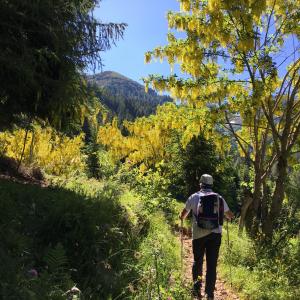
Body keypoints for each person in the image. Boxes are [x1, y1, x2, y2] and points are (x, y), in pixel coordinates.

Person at [179, 174, 234, 300]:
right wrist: (228, 217)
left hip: (198, 235)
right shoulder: (219, 198)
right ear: (211, 184)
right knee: (211, 264)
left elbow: (183, 215)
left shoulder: (194, 197)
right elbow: (230, 215)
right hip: (215, 235)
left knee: (197, 262)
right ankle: (209, 294)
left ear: (200, 184)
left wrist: (180, 217)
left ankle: (196, 291)